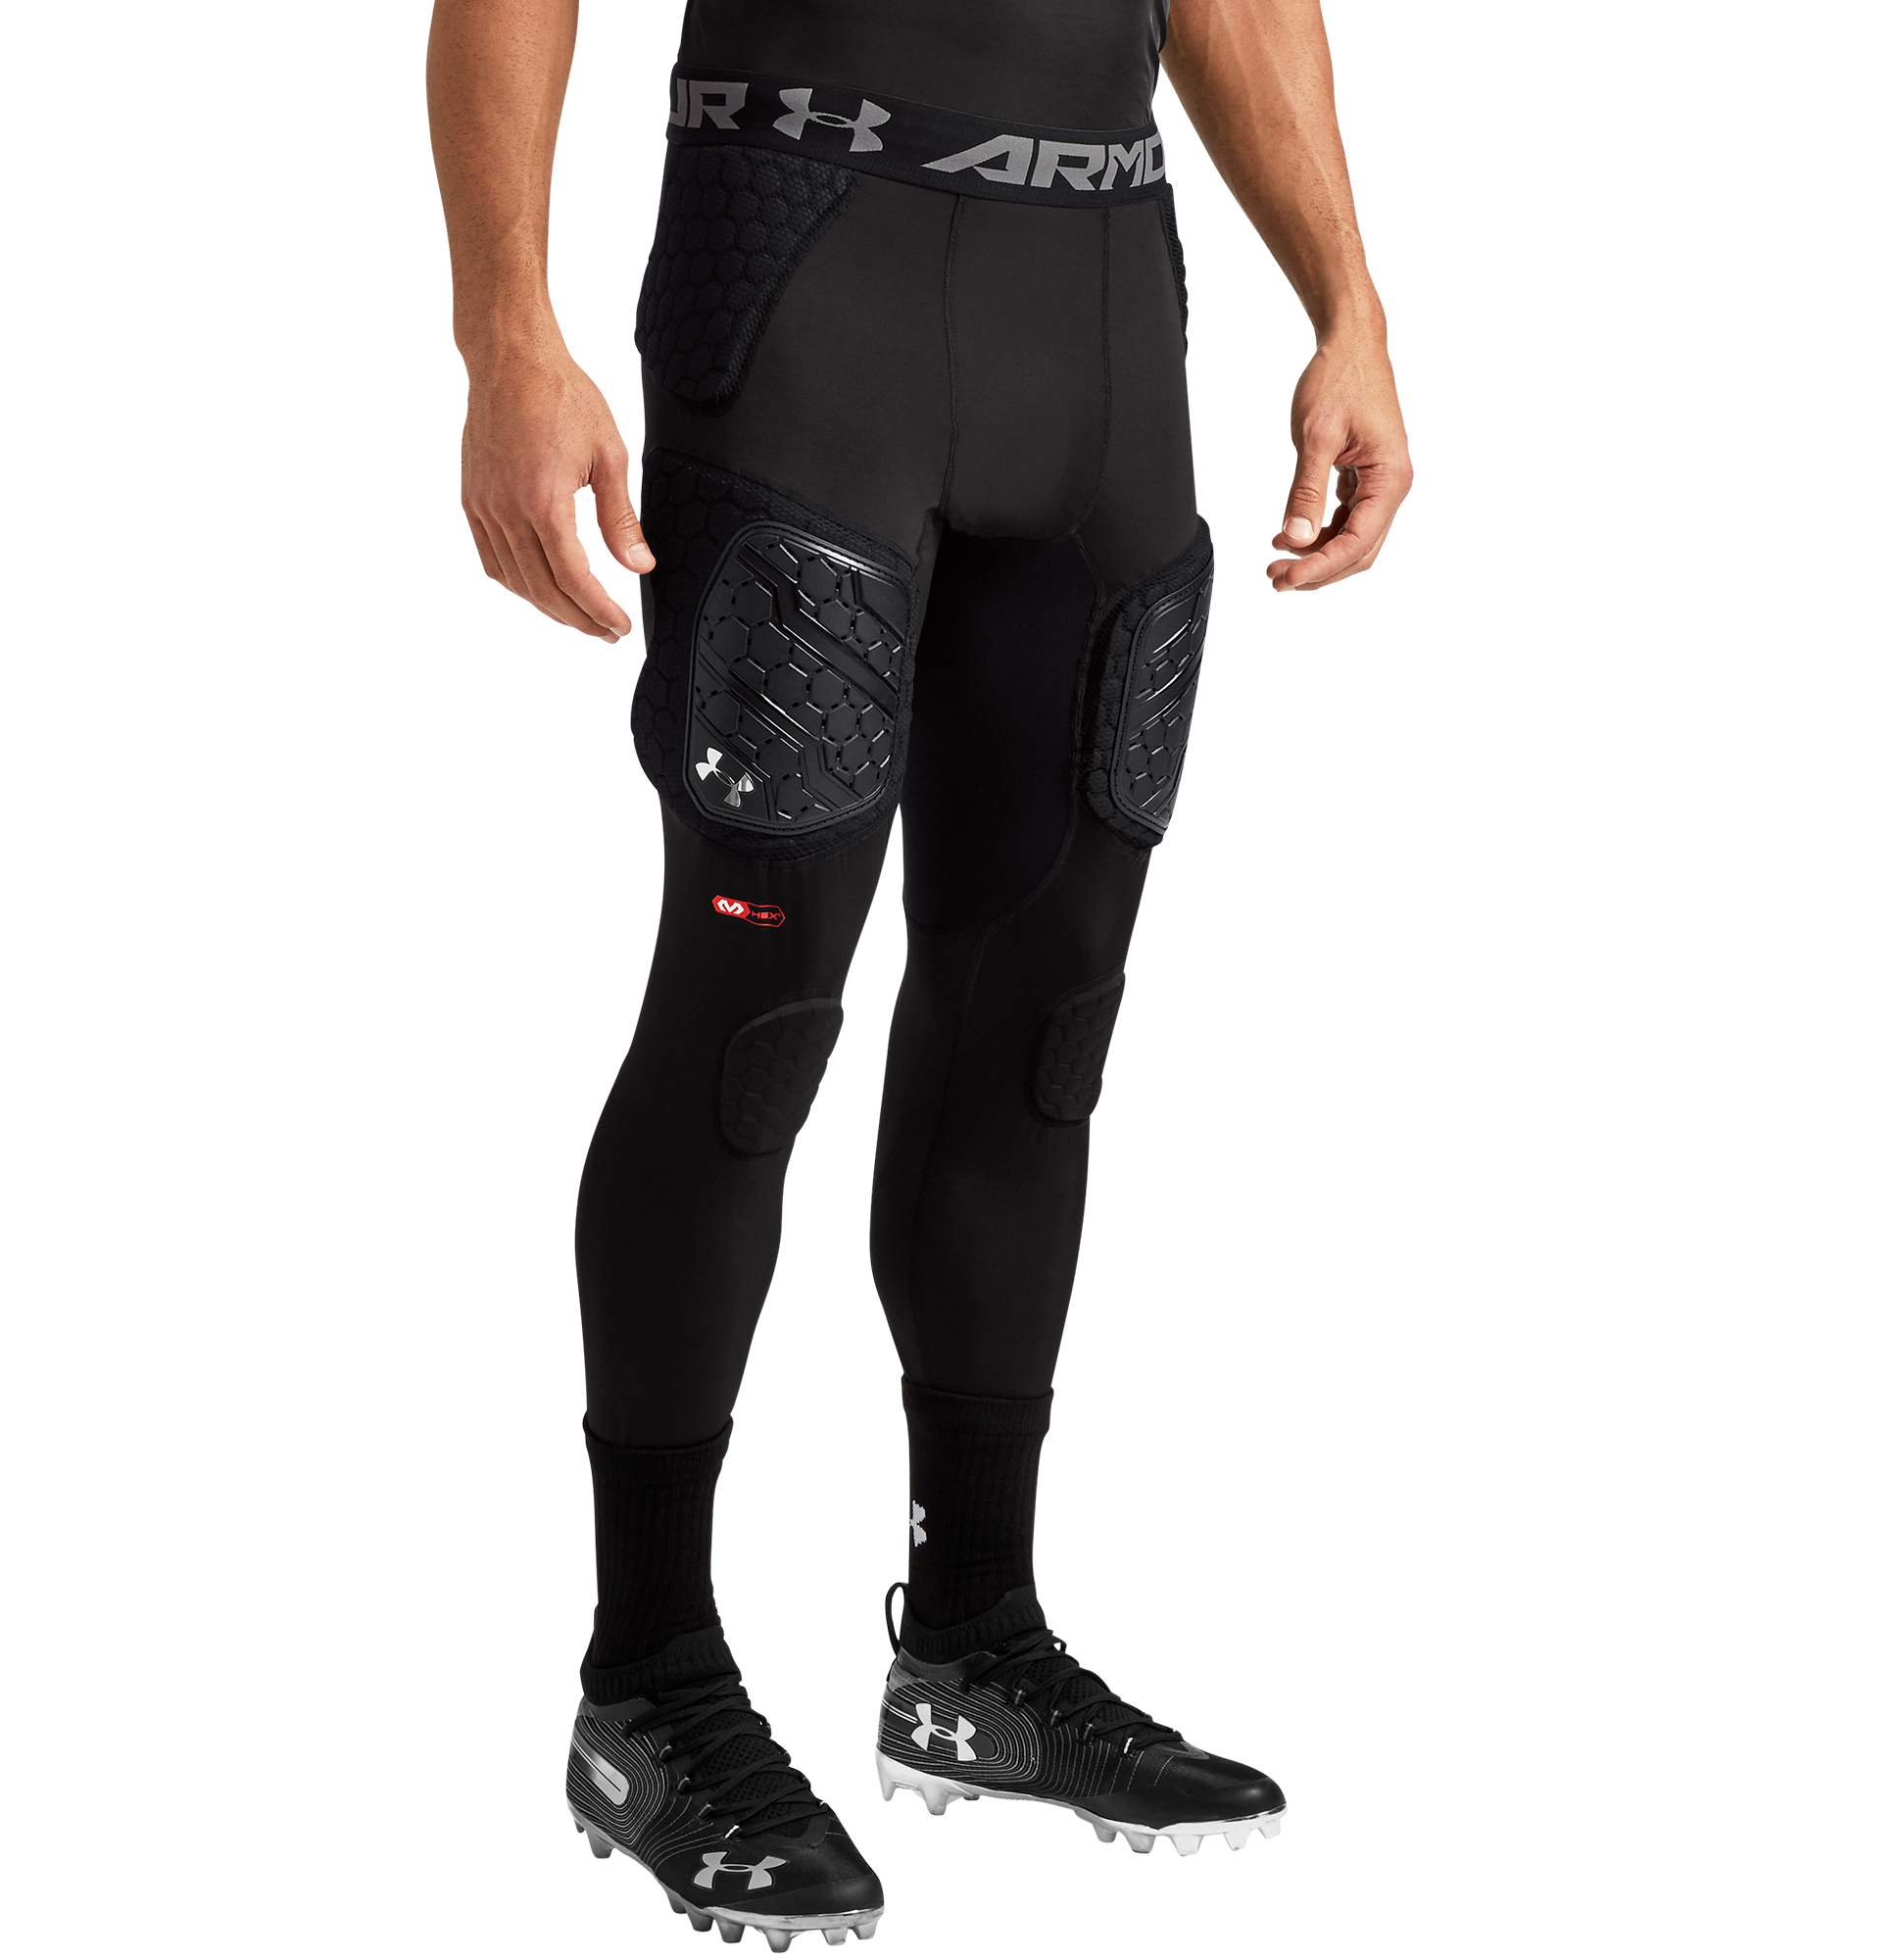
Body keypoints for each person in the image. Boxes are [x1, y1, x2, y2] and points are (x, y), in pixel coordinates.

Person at [429, 0, 1410, 1943]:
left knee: (1046, 1002)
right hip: (810, 272)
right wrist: (508, 337)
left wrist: (1347, 309)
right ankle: (652, 1679)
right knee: (762, 999)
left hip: (1105, 300)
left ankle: (975, 1640)